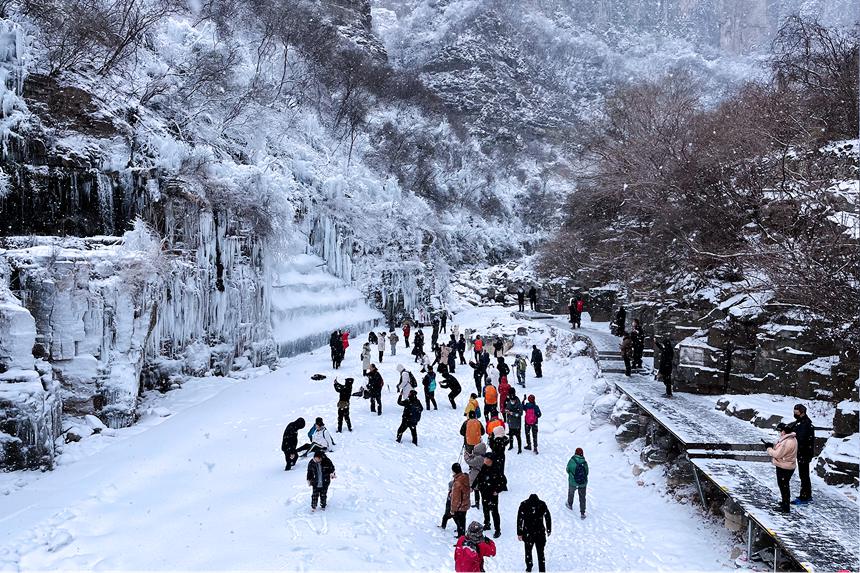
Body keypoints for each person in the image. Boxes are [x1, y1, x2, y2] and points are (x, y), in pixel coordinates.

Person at [765, 423, 797, 513]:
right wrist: (772, 446)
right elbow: (780, 449)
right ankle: (784, 503)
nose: (779, 433)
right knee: (784, 486)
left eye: (780, 431)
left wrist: (768, 448)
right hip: (788, 465)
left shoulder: (787, 442)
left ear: (784, 431)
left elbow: (777, 454)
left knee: (784, 486)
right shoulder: (791, 439)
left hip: (784, 467)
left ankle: (785, 507)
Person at [517, 494, 552, 573]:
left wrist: (519, 533)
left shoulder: (524, 504)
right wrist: (549, 529)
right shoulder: (542, 504)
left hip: (528, 532)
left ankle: (529, 567)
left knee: (528, 550)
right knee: (540, 552)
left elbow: (520, 519)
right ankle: (542, 569)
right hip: (540, 532)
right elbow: (547, 517)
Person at [788, 404, 815, 503]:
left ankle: (805, 496)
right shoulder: (800, 422)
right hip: (802, 452)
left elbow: (801, 439)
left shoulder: (806, 424)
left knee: (804, 475)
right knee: (803, 474)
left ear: (802, 412)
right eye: (794, 412)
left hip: (804, 453)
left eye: (797, 412)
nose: (795, 414)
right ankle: (806, 494)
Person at [475, 456, 506, 538]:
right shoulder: (484, 467)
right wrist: (473, 486)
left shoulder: (496, 470)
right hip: (484, 493)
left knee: (494, 512)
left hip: (493, 495)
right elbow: (478, 477)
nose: (485, 460)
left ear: (491, 460)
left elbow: (504, 482)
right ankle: (487, 523)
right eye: (485, 459)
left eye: (487, 459)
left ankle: (497, 530)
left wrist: (497, 490)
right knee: (485, 509)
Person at [566, 447, 588, 518]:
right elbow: (587, 472)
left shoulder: (572, 460)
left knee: (571, 493)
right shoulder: (584, 462)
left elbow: (567, 469)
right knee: (582, 497)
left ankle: (570, 504)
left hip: (573, 482)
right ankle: (582, 512)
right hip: (583, 483)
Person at [450, 463, 471, 537]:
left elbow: (456, 498)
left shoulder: (457, 482)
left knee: (459, 522)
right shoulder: (465, 477)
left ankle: (461, 538)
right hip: (465, 503)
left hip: (459, 506)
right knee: (462, 521)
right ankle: (462, 535)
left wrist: (453, 509)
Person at [464, 442, 487, 509]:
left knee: (477, 490)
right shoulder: (482, 456)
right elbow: (474, 458)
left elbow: (470, 462)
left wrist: (466, 457)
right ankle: (478, 503)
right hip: (478, 476)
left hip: (476, 475)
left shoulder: (479, 458)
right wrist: (470, 455)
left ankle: (479, 503)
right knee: (477, 490)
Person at [505, 389, 523, 454]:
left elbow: (520, 413)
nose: (512, 401)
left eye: (513, 400)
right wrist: (506, 411)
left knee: (518, 437)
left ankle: (520, 448)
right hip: (511, 423)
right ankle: (511, 445)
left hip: (517, 424)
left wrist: (512, 413)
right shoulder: (509, 401)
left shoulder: (519, 403)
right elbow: (507, 408)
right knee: (510, 436)